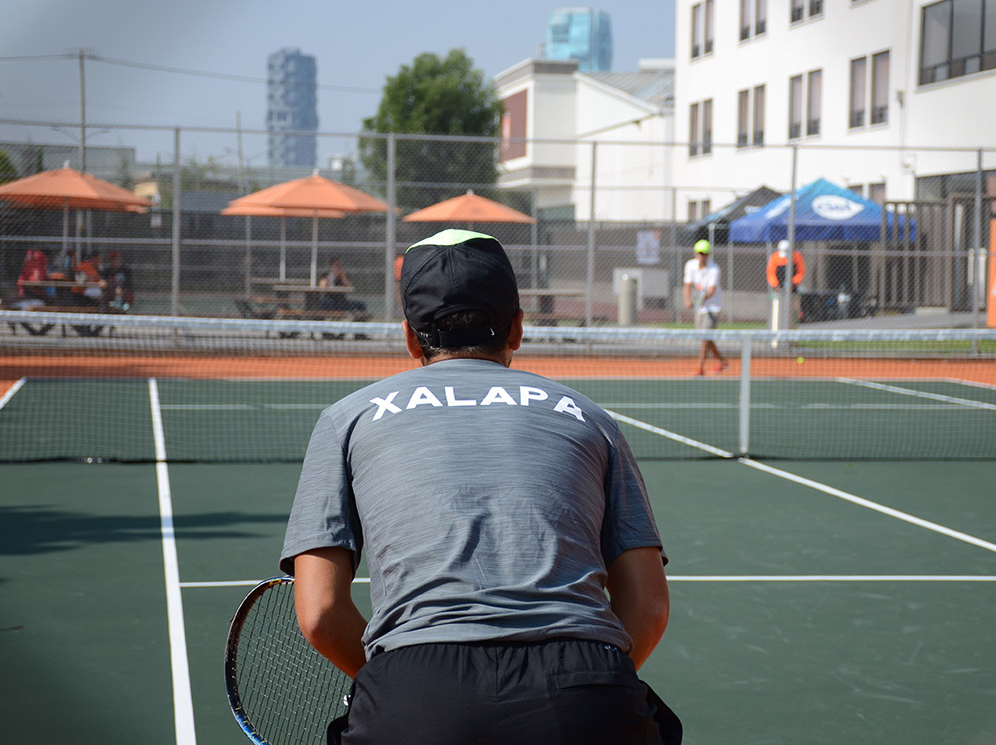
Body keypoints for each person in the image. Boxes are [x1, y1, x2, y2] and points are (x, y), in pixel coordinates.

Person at [280, 229, 679, 745]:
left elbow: (318, 614)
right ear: (517, 328)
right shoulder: (591, 417)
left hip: (416, 690)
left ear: (408, 335)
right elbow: (648, 607)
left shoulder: (346, 420)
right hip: (587, 686)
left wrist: (394, 684)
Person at [683, 239, 729, 376]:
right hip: (700, 309)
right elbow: (687, 285)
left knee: (705, 337)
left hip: (713, 308)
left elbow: (711, 290)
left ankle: (700, 368)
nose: (702, 256)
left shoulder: (714, 269)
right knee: (706, 338)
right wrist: (687, 300)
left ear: (708, 254)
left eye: (705, 253)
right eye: (700, 253)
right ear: (695, 253)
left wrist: (699, 300)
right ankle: (722, 361)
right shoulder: (690, 266)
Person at [766, 239, 806, 324]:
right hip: (778, 286)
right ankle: (776, 324)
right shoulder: (774, 257)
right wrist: (775, 285)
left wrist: (793, 283)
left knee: (795, 303)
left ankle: (793, 322)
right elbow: (771, 273)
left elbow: (801, 272)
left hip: (793, 286)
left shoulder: (796, 256)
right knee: (777, 305)